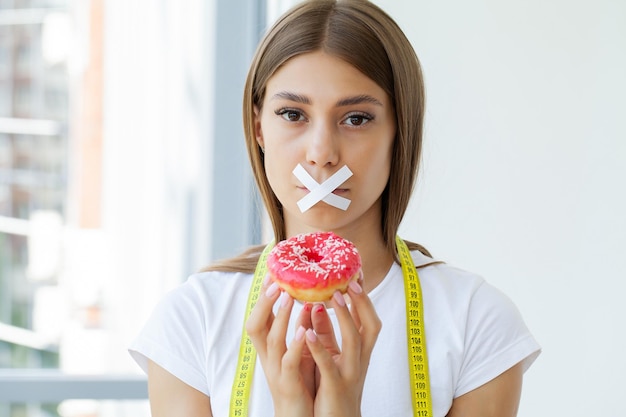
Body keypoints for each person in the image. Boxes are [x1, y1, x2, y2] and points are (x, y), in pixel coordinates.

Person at [129, 1, 541, 416]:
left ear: (401, 131)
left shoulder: (477, 322)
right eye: (293, 114)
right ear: (259, 128)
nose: (322, 153)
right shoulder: (192, 321)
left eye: (357, 119)